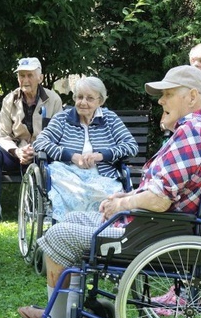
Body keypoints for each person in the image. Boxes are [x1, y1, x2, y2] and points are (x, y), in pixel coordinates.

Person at [0, 65, 201, 318]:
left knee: (59, 235)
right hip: (159, 227)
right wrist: (122, 200)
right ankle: (63, 313)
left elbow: (158, 199)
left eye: (167, 94)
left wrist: (122, 203)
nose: (161, 101)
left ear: (192, 97)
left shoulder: (192, 133)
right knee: (73, 221)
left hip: (148, 234)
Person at [32, 76, 139, 221]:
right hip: (67, 173)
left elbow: (131, 146)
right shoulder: (62, 119)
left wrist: (101, 156)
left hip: (102, 175)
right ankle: (68, 228)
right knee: (72, 192)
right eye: (80, 97)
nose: (83, 102)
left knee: (108, 196)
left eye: (89, 98)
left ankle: (99, 230)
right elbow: (40, 142)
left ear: (100, 101)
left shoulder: (110, 119)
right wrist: (71, 156)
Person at [0, 57, 63, 223]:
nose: (25, 80)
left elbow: (58, 134)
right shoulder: (10, 100)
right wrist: (16, 150)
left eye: (29, 75)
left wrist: (37, 148)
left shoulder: (53, 99)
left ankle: (47, 207)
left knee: (53, 158)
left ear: (40, 77)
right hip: (16, 152)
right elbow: (2, 134)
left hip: (42, 152)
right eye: (21, 76)